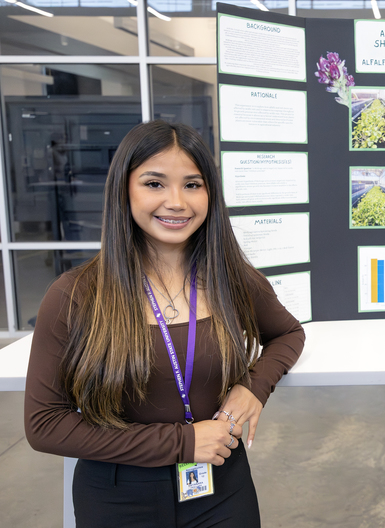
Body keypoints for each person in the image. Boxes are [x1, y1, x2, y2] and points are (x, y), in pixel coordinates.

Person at [24, 120, 305, 527]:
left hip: (220, 487)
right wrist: (182, 442)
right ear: (125, 190)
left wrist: (253, 387)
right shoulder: (77, 294)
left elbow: (288, 334)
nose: (177, 202)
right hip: (116, 494)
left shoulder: (231, 278)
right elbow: (44, 424)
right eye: (154, 183)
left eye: (192, 184)